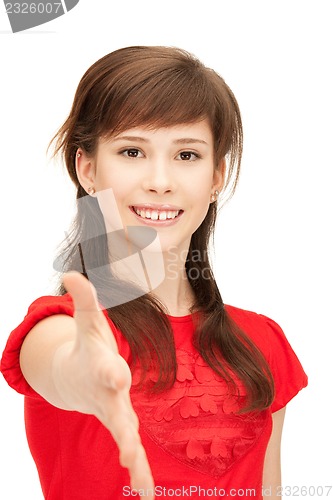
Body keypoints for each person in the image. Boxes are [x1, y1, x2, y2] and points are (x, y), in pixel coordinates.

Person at [0, 46, 307, 500]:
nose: (161, 181)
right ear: (87, 168)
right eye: (132, 151)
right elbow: (62, 366)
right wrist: (83, 372)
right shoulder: (62, 327)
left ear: (217, 175)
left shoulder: (262, 341)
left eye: (187, 155)